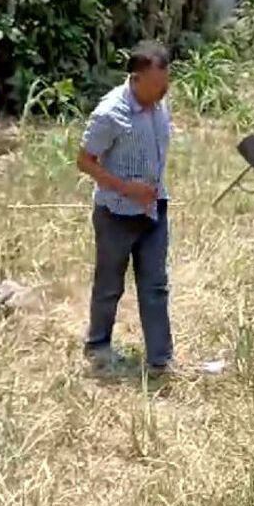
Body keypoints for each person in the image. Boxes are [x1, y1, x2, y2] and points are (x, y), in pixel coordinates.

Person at [76, 41, 176, 377]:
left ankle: (160, 360)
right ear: (135, 78)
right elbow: (84, 161)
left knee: (155, 286)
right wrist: (126, 187)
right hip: (116, 213)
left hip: (155, 209)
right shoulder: (110, 113)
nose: (162, 92)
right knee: (109, 285)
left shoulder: (160, 106)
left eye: (166, 84)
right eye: (156, 85)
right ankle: (98, 346)